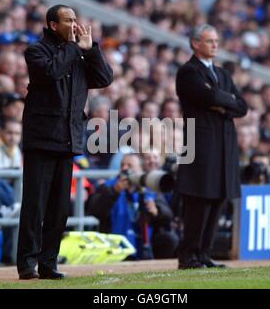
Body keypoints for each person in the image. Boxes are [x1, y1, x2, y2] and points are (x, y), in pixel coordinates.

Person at [17, 4, 113, 280]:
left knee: (59, 209)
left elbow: (104, 78)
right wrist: (74, 48)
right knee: (35, 205)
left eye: (75, 19)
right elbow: (51, 72)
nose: (74, 24)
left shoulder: (79, 53)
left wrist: (92, 49)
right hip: (41, 138)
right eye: (68, 20)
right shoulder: (36, 51)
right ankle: (27, 264)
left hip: (69, 138)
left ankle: (48, 263)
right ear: (52, 25)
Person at [175, 24, 247, 269]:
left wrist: (222, 102)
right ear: (195, 43)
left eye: (216, 40)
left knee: (217, 198)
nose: (215, 45)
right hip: (201, 144)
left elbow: (243, 106)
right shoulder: (188, 72)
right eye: (209, 41)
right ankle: (189, 255)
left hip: (224, 145)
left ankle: (204, 253)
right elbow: (208, 98)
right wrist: (226, 101)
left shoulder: (223, 74)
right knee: (198, 199)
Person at [87, 153, 178, 259]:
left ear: (140, 170)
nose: (125, 168)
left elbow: (168, 215)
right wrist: (114, 191)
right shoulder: (109, 186)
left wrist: (157, 211)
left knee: (169, 238)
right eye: (122, 165)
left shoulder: (149, 187)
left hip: (144, 243)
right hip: (113, 246)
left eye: (130, 166)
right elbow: (94, 210)